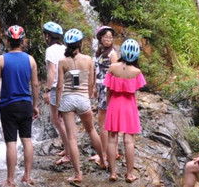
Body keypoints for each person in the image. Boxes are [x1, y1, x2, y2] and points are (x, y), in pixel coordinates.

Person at [0, 25, 40, 187]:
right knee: (27, 140)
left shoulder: (0, 60)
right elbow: (35, 84)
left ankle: (10, 180)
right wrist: (35, 105)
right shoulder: (31, 60)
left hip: (8, 105)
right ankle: (27, 176)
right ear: (22, 41)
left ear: (7, 41)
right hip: (25, 104)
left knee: (11, 142)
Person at [56, 28, 106, 183]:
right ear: (80, 43)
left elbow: (59, 86)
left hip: (68, 99)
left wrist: (58, 105)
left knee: (71, 137)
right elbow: (91, 82)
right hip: (83, 98)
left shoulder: (63, 62)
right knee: (91, 130)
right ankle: (104, 161)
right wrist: (89, 96)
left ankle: (78, 174)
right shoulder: (88, 60)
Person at [103, 39, 145, 183]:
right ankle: (129, 174)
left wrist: (109, 105)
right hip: (129, 106)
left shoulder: (113, 68)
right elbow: (135, 91)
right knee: (129, 141)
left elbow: (108, 90)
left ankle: (113, 173)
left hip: (114, 103)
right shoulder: (137, 72)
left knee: (112, 139)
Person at [42, 22, 69, 166]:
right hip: (67, 86)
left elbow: (51, 71)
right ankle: (68, 148)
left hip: (56, 88)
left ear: (48, 36)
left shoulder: (50, 50)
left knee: (56, 120)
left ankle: (69, 152)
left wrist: (47, 90)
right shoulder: (65, 48)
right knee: (63, 119)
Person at [93, 25, 119, 167]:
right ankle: (112, 151)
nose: (108, 39)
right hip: (100, 88)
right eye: (105, 37)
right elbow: (96, 71)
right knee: (105, 121)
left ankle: (104, 153)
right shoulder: (100, 52)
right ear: (100, 38)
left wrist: (110, 91)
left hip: (107, 89)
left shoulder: (112, 54)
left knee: (103, 122)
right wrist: (94, 88)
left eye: (110, 37)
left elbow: (114, 73)